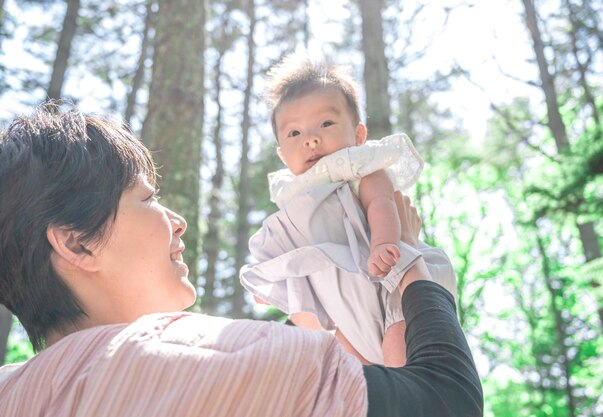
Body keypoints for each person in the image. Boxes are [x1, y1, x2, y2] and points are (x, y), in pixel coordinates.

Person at [0, 103, 482, 417]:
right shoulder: (196, 358)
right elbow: (448, 404)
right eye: (147, 199)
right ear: (77, 244)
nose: (177, 220)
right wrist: (414, 268)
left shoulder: (14, 391)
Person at [240, 54, 457, 367]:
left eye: (326, 124)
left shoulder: (357, 168)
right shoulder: (293, 196)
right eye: (294, 133)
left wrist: (384, 243)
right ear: (282, 153)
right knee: (347, 355)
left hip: (384, 277)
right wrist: (274, 284)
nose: (311, 139)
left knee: (399, 336)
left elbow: (382, 202)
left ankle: (402, 380)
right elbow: (287, 244)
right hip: (339, 308)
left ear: (358, 135)